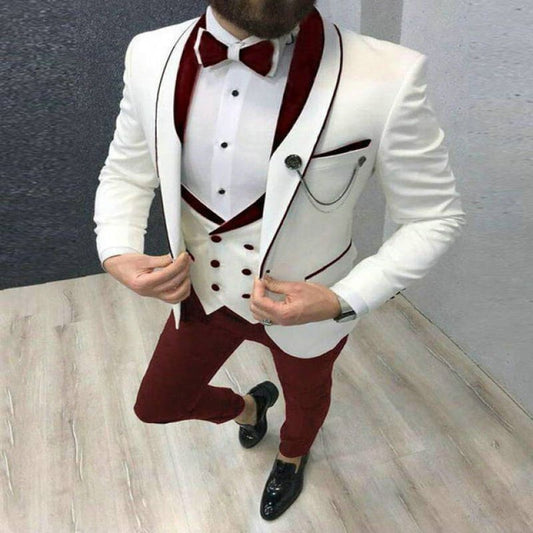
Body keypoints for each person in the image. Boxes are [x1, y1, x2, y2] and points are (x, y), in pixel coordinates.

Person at [93, 0, 466, 521]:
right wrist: (117, 247)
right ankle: (250, 407)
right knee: (157, 405)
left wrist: (345, 298)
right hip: (201, 294)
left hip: (311, 308)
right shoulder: (149, 53)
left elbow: (434, 216)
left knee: (308, 402)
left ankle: (292, 455)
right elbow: (128, 171)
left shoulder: (392, 73)